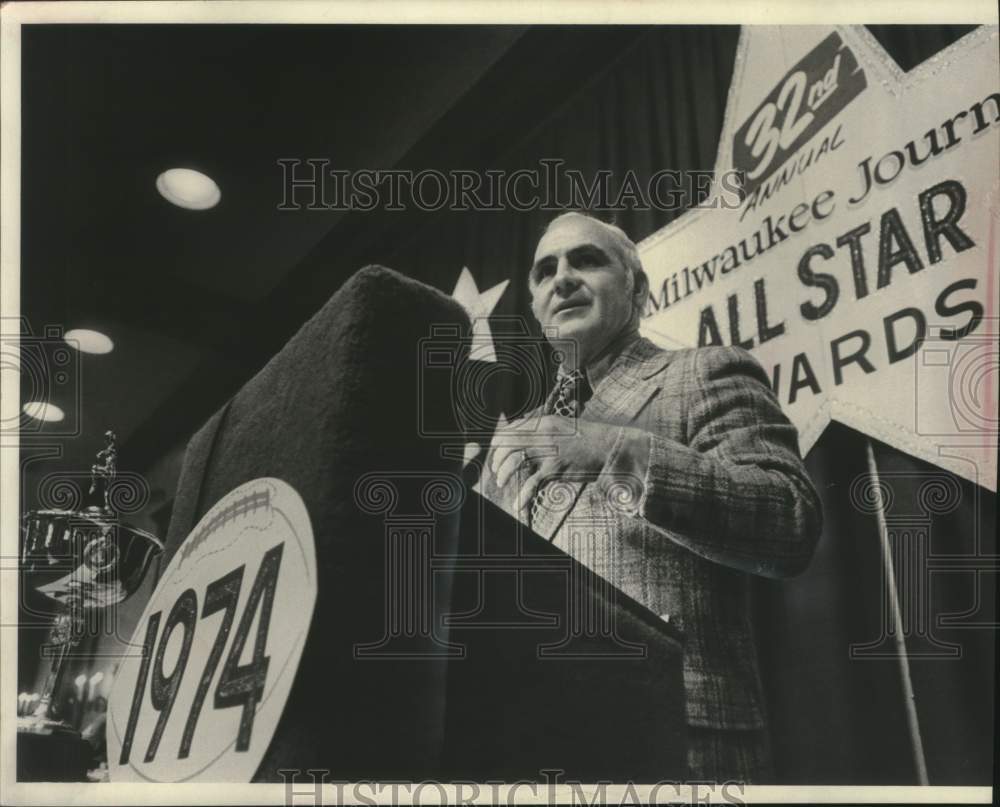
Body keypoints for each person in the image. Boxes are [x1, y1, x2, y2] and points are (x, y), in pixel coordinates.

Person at [478, 211, 823, 782]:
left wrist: (613, 451)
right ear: (537, 308)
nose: (561, 278)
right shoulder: (514, 440)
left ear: (638, 290)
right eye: (544, 271)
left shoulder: (704, 373)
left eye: (586, 260)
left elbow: (789, 520)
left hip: (678, 737)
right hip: (532, 745)